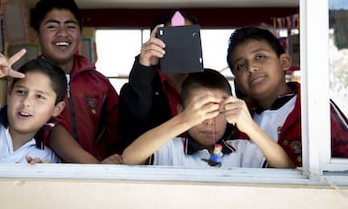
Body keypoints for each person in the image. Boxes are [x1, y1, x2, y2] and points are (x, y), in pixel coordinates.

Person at [226, 26, 348, 167]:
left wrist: (251, 128)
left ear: (284, 62)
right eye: (240, 65)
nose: (251, 68)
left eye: (260, 57)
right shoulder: (233, 120)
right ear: (238, 83)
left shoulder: (314, 107)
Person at [121, 69, 294, 169]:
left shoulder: (245, 151)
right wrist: (183, 121)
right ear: (182, 111)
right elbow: (129, 158)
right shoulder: (169, 149)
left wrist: (250, 127)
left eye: (218, 112)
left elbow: (287, 169)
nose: (210, 121)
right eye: (200, 112)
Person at [30, 0, 122, 163]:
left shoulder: (99, 83)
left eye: (70, 26)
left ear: (80, 32)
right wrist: (96, 169)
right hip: (44, 173)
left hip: (96, 178)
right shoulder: (26, 80)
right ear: (36, 34)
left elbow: (118, 133)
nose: (62, 34)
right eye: (52, 26)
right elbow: (46, 129)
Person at [119, 10, 208, 146]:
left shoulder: (209, 83)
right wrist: (144, 67)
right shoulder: (139, 86)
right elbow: (133, 126)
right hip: (154, 161)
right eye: (174, 37)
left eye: (187, 36)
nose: (181, 44)